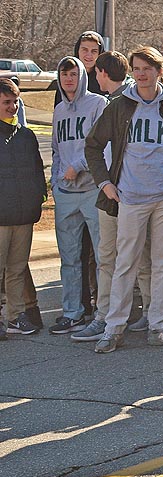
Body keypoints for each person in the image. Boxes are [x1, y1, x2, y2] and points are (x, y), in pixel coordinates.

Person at [85, 46, 163, 354]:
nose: (141, 73)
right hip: (130, 197)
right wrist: (105, 182)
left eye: (147, 68)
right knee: (125, 263)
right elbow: (93, 146)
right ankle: (114, 327)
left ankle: (159, 325)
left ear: (160, 71)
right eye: (136, 68)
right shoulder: (120, 107)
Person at [70, 51, 132, 342]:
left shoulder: (130, 102)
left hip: (134, 194)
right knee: (108, 257)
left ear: (103, 73)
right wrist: (105, 183)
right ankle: (106, 315)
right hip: (110, 193)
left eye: (97, 72)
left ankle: (151, 317)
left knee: (133, 259)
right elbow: (94, 148)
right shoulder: (112, 105)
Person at [48, 57, 108, 335]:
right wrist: (56, 182)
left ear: (82, 75)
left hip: (93, 189)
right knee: (69, 257)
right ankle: (73, 313)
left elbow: (102, 145)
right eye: (64, 74)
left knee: (103, 255)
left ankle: (105, 313)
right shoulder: (59, 109)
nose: (69, 79)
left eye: (73, 74)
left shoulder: (97, 104)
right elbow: (57, 150)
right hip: (66, 194)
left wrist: (79, 167)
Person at [0, 78, 47, 338]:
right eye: (7, 102)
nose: (13, 107)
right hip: (1, 218)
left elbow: (38, 171)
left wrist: (37, 200)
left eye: (16, 101)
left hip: (23, 216)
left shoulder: (26, 136)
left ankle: (16, 317)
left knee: (17, 269)